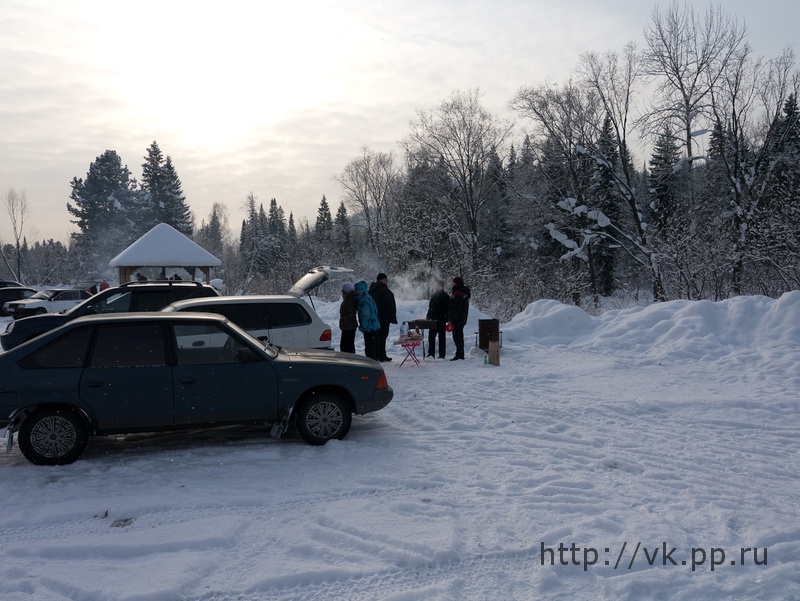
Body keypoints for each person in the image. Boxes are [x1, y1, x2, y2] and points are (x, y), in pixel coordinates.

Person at [369, 272, 397, 362]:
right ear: (382, 280)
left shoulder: (373, 289)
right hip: (384, 317)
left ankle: (377, 354)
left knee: (377, 336)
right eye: (386, 279)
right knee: (382, 336)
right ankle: (382, 355)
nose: (387, 281)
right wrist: (392, 313)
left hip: (376, 316)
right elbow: (389, 305)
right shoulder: (384, 290)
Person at [354, 280, 381, 360]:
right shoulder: (369, 297)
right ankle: (374, 361)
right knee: (373, 346)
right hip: (375, 325)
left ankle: (371, 364)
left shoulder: (363, 301)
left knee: (369, 348)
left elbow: (365, 315)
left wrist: (363, 326)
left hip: (369, 327)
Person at [447, 276, 471, 361]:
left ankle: (460, 354)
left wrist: (451, 319)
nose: (452, 284)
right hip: (462, 318)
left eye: (453, 282)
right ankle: (460, 353)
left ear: (456, 283)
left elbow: (456, 308)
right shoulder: (463, 292)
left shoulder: (458, 293)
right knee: (459, 336)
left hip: (457, 319)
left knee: (457, 337)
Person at [426, 280, 450, 359]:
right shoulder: (434, 295)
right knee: (431, 337)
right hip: (433, 319)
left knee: (441, 337)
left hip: (441, 319)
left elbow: (447, 309)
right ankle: (431, 353)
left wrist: (445, 318)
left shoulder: (445, 296)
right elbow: (430, 307)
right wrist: (428, 316)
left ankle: (442, 354)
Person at [339, 281, 358, 353]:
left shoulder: (348, 300)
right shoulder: (350, 299)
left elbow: (351, 314)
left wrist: (343, 320)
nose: (342, 291)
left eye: (343, 290)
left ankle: (349, 359)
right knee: (349, 345)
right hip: (350, 326)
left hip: (348, 326)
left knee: (346, 346)